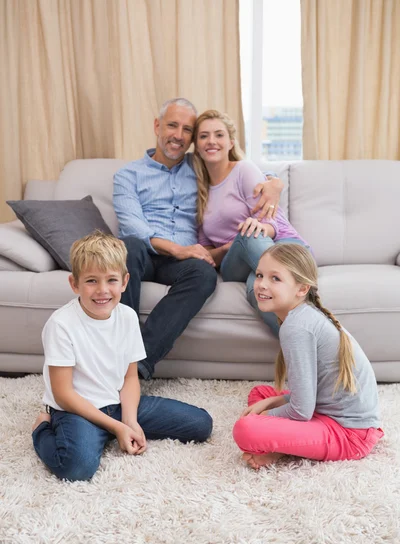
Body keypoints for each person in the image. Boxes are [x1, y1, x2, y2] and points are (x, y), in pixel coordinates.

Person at [113, 98, 283, 379]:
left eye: (187, 129)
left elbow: (240, 166)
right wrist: (177, 248)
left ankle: (136, 364)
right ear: (157, 126)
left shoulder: (200, 164)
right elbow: (133, 227)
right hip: (142, 253)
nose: (178, 135)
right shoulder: (128, 175)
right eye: (172, 126)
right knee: (127, 247)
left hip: (179, 262)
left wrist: (274, 182)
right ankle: (119, 347)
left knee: (204, 274)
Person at [31, 231, 213, 482]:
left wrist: (129, 420)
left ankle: (101, 430)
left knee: (202, 425)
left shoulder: (127, 316)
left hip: (116, 403)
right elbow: (64, 394)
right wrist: (117, 428)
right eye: (92, 281)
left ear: (125, 282)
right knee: (76, 467)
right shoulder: (61, 324)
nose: (103, 290)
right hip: (76, 410)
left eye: (111, 280)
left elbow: (129, 378)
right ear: (75, 284)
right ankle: (41, 428)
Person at [232, 243, 384, 470]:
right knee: (260, 393)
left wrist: (266, 414)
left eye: (275, 279)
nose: (262, 284)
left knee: (246, 429)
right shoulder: (304, 315)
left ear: (302, 288)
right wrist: (272, 402)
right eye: (260, 275)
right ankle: (288, 441)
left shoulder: (297, 327)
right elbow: (303, 401)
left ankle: (281, 447)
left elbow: (301, 410)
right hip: (324, 410)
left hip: (351, 434)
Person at [193, 109, 310, 337]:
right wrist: (231, 245)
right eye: (204, 136)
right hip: (235, 262)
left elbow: (272, 221)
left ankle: (309, 346)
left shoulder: (243, 170)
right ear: (196, 145)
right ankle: (299, 286)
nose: (211, 141)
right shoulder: (198, 189)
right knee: (248, 235)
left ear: (231, 142)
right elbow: (207, 254)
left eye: (219, 135)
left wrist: (259, 228)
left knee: (256, 289)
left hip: (284, 246)